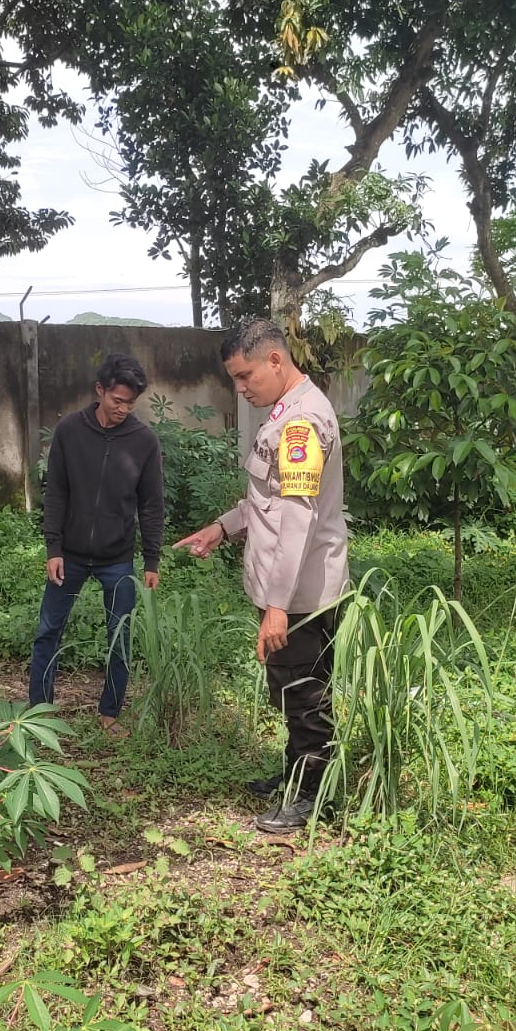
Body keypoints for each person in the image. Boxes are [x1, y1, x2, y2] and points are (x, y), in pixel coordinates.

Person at [174, 318, 349, 832]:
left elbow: (297, 518)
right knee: (290, 687)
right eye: (235, 378)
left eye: (245, 376)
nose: (240, 387)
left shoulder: (302, 425)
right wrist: (222, 529)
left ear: (276, 360)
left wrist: (278, 605)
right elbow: (266, 499)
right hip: (283, 586)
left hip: (299, 592)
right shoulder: (283, 412)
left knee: (305, 692)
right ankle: (297, 774)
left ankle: (315, 795)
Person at [29, 352, 165, 728]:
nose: (122, 409)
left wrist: (151, 560)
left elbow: (151, 505)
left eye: (130, 403)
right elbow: (55, 491)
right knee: (48, 632)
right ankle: (39, 712)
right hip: (69, 555)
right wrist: (53, 548)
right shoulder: (70, 430)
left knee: (119, 637)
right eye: (116, 400)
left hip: (117, 558)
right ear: (100, 390)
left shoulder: (143, 441)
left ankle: (109, 713)